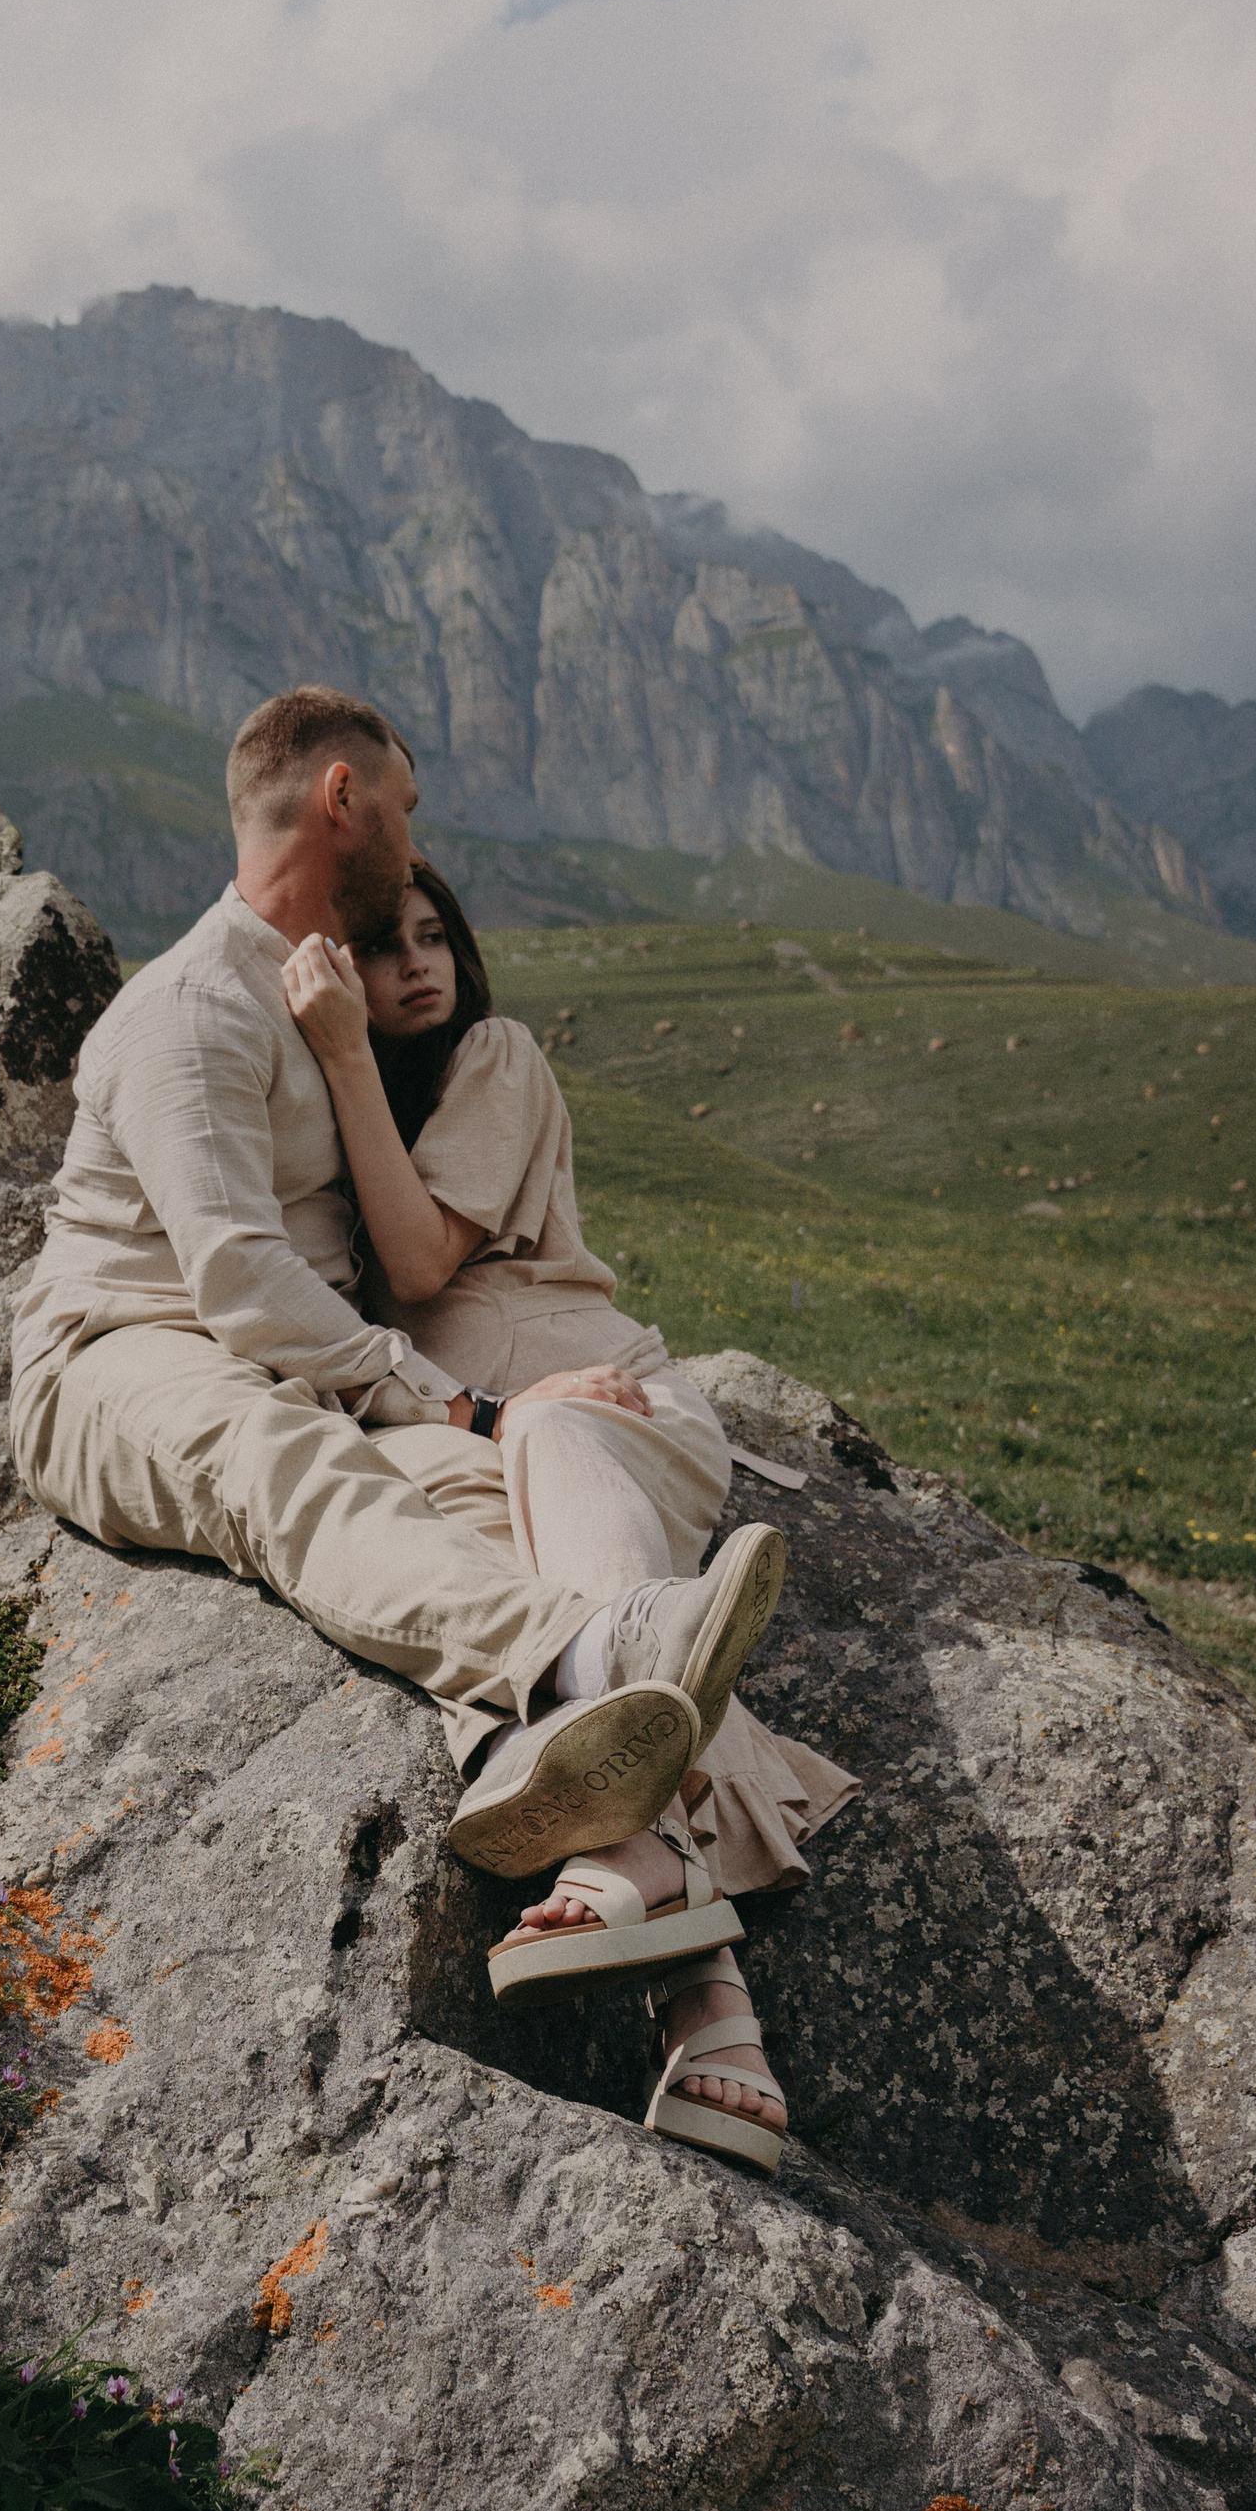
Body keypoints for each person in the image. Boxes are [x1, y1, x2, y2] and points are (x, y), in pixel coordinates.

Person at [8, 684, 788, 1892]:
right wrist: (460, 1400)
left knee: (494, 1503)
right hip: (124, 1351)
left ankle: (630, 1888)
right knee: (272, 1454)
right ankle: (603, 1648)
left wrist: (462, 1427)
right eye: (405, 811)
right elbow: (239, 1280)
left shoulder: (315, 1003)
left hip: (308, 1372)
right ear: (341, 798)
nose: (417, 849)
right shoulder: (189, 1006)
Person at [279, 861, 858, 2174]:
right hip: (454, 1438)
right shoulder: (312, 1129)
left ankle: (658, 1847)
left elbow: (425, 1260)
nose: (419, 961)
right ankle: (708, 2014)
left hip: (608, 1410)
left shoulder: (494, 1054)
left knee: (548, 1431)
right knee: (509, 1630)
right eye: (382, 946)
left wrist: (344, 1048)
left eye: (436, 937)